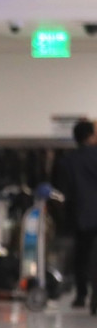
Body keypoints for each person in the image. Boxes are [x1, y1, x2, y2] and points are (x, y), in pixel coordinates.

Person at [59, 119, 97, 313]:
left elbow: (64, 191)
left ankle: (81, 296)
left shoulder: (68, 160)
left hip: (80, 216)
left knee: (81, 258)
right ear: (92, 135)